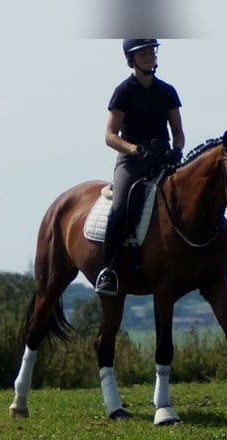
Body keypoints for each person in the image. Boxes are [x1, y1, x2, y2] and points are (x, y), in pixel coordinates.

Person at [95, 38, 185, 296]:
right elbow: (110, 135)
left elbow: (178, 132)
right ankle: (108, 270)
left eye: (151, 51)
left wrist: (177, 150)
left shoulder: (167, 91)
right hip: (132, 159)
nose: (149, 56)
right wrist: (134, 149)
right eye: (143, 53)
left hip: (162, 156)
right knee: (121, 207)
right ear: (131, 59)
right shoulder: (124, 92)